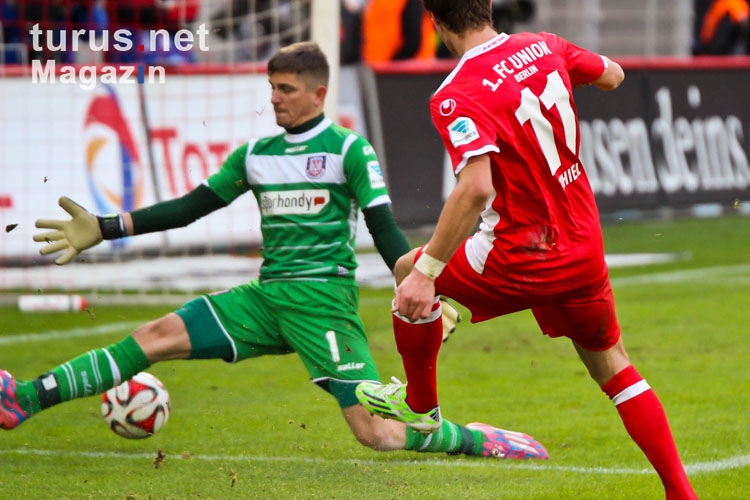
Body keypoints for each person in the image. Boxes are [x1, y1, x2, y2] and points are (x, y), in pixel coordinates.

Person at [0, 41, 547, 461]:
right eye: (271, 87)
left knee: (375, 433)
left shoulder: (348, 150)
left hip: (322, 304)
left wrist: (422, 286)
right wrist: (105, 225)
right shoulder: (256, 154)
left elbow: (383, 231)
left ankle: (474, 439)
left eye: (285, 88)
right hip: (265, 299)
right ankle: (24, 397)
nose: (274, 98)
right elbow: (192, 206)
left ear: (317, 93)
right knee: (153, 336)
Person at [355, 2, 699, 498]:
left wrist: (429, 270)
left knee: (411, 271)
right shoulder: (546, 45)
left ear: (435, 22)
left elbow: (475, 189)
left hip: (521, 252)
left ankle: (422, 408)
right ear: (489, 6)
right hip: (582, 246)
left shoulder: (455, 94)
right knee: (614, 367)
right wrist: (550, 72)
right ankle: (680, 492)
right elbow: (614, 76)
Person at [361, 0, 436, 63]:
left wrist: (392, 64)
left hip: (410, 71)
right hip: (376, 68)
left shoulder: (410, 2)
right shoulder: (374, 3)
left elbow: (413, 42)